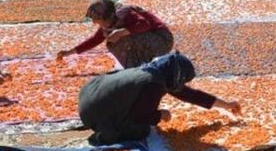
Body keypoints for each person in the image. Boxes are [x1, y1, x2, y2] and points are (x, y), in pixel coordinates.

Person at [78, 52, 241, 145]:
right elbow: (139, 116)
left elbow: (190, 95)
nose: (181, 84)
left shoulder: (154, 71)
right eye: (182, 80)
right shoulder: (153, 84)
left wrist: (227, 105)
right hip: (94, 114)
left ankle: (107, 121)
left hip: (88, 96)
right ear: (176, 77)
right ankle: (107, 132)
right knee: (140, 130)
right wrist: (160, 114)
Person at [56, 0, 173, 68]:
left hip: (162, 40)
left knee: (121, 38)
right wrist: (68, 53)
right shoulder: (110, 21)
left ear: (104, 16)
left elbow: (145, 25)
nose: (94, 22)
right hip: (149, 41)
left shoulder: (126, 14)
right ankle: (136, 66)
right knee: (112, 39)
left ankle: (139, 67)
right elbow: (95, 40)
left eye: (96, 19)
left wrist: (121, 32)